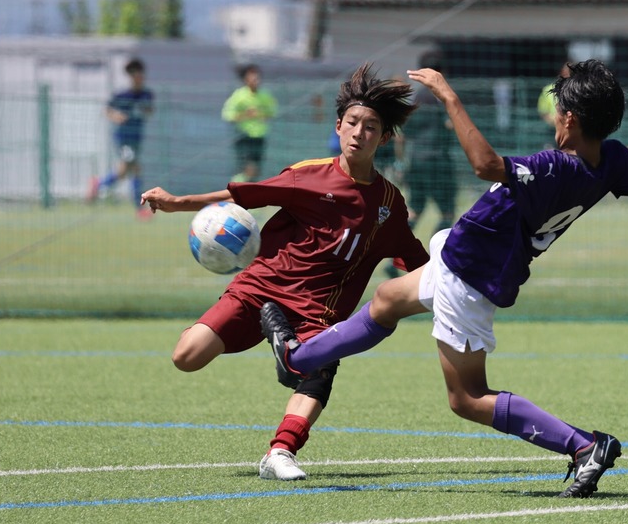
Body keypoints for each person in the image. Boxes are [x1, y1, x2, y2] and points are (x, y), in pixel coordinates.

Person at [261, 59, 628, 499]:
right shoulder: (614, 160)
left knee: (467, 398)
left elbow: (484, 164)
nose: (553, 118)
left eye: (558, 110)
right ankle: (299, 356)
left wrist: (448, 95)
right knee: (386, 299)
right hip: (464, 257)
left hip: (469, 278)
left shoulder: (554, 166)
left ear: (571, 119)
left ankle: (583, 446)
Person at [139, 63, 428, 482]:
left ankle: (281, 452)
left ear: (383, 138)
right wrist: (177, 201)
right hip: (260, 290)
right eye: (351, 123)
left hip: (317, 313)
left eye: (369, 127)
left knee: (321, 367)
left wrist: (465, 278)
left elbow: (418, 262)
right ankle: (273, 337)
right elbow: (245, 195)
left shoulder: (389, 205)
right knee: (186, 357)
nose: (358, 133)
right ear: (338, 126)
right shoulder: (309, 175)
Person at [87, 57, 155, 220]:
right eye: (134, 75)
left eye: (140, 74)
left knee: (123, 171)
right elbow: (107, 110)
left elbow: (150, 111)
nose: (138, 77)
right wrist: (116, 116)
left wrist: (146, 111)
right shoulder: (122, 94)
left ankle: (99, 184)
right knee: (135, 170)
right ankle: (139, 208)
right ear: (131, 77)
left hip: (137, 137)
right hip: (124, 138)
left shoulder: (147, 94)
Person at [402, 51, 458, 239]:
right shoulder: (441, 96)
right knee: (448, 212)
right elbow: (451, 124)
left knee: (415, 209)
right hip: (438, 160)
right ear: (441, 72)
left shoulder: (415, 98)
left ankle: (395, 259)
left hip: (416, 159)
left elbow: (404, 132)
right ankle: (436, 257)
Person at [221, 64, 278, 183]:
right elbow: (227, 115)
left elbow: (272, 112)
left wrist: (260, 114)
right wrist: (246, 115)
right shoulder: (239, 95)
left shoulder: (265, 95)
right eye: (252, 78)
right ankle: (236, 188)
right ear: (245, 80)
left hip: (259, 137)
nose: (255, 81)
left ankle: (247, 191)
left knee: (256, 168)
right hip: (243, 136)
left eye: (257, 78)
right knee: (247, 167)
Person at [537, 61, 572, 149]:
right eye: (566, 71)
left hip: (571, 131)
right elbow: (543, 112)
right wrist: (555, 121)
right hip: (552, 131)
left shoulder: (579, 91)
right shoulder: (548, 90)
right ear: (562, 72)